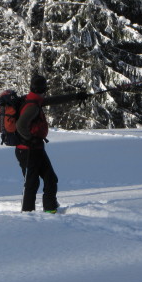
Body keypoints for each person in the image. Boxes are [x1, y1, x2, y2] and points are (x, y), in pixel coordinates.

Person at [15, 74, 87, 213]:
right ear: (44, 88)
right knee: (32, 183)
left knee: (50, 178)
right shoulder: (33, 106)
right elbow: (20, 125)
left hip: (36, 148)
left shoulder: (33, 100)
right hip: (27, 150)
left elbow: (53, 100)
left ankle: (50, 208)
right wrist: (30, 139)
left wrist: (76, 96)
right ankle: (27, 214)